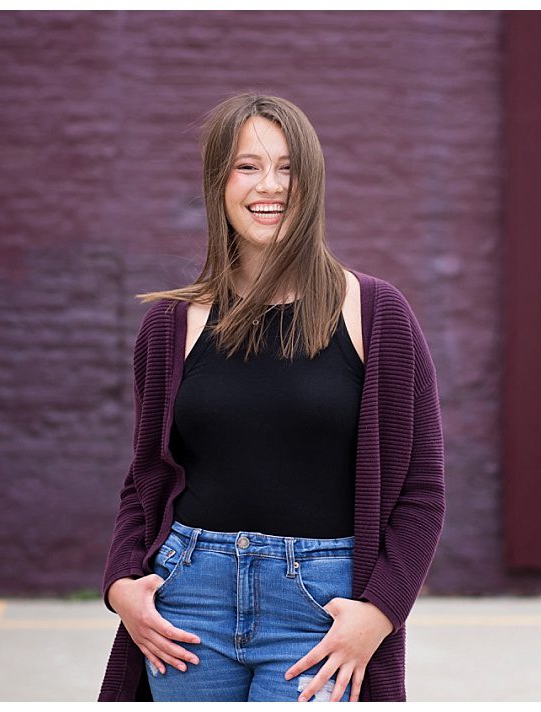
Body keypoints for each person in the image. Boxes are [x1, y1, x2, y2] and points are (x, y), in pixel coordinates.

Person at [97, 94, 445, 702]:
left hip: (320, 609)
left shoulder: (377, 313)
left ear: (312, 182)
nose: (270, 185)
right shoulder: (170, 326)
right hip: (188, 603)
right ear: (218, 182)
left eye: (288, 167)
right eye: (247, 166)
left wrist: (380, 613)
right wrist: (121, 583)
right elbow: (144, 480)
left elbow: (421, 491)